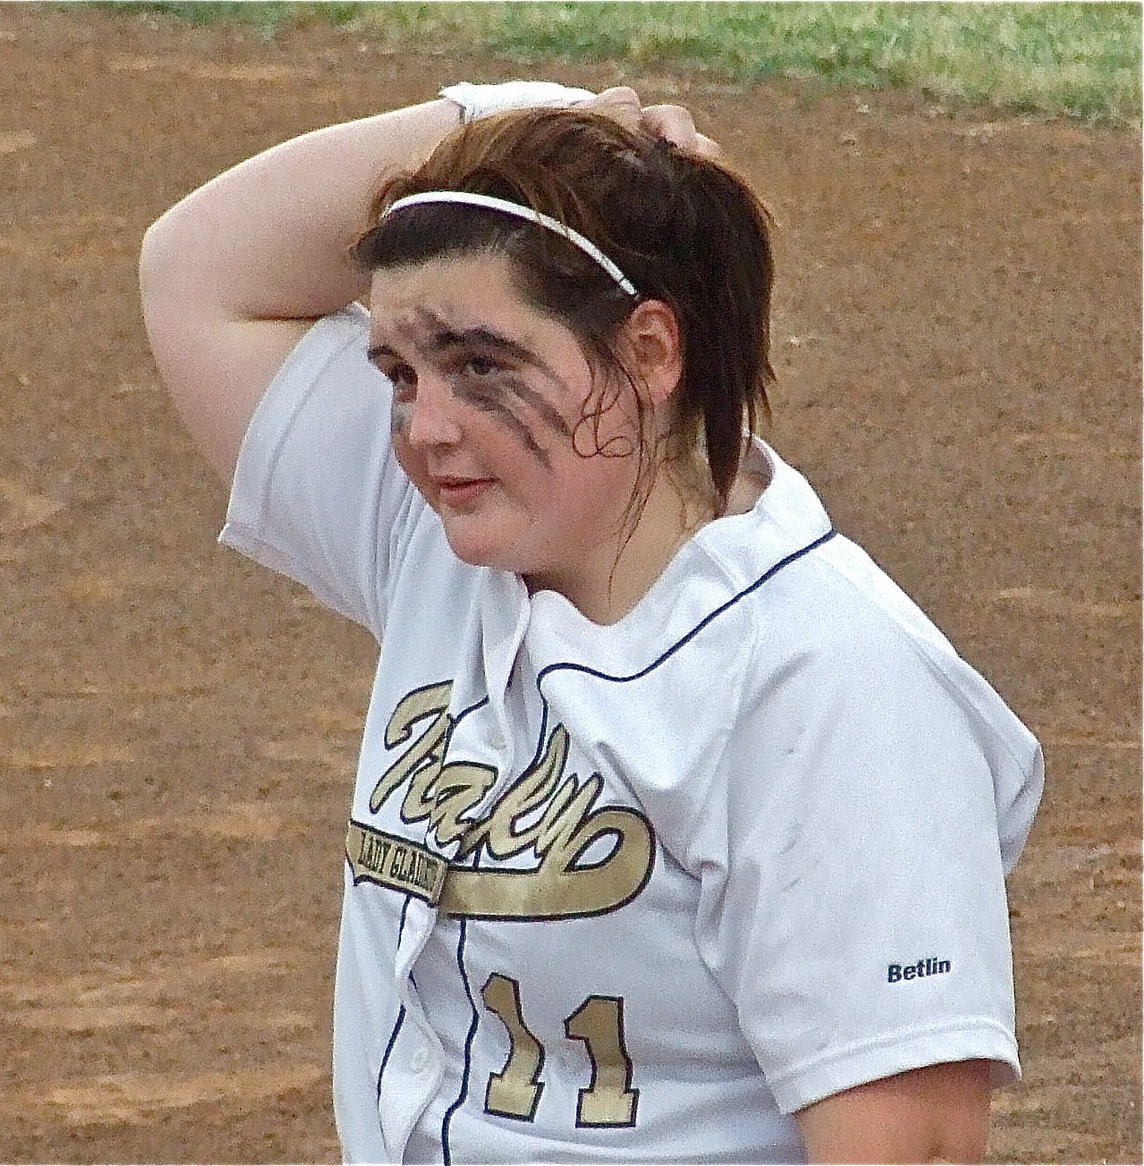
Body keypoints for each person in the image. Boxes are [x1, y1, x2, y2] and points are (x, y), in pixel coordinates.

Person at [139, 80, 1044, 1164]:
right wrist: (525, 113)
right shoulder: (442, 542)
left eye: (483, 364)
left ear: (651, 354)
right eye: (397, 371)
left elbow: (916, 1147)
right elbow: (195, 272)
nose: (426, 428)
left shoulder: (828, 684)